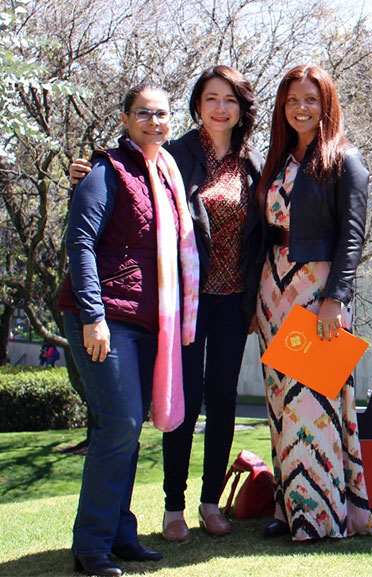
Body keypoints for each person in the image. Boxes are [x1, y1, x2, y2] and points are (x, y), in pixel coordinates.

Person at [70, 65, 265, 543]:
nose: (221, 108)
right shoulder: (172, 154)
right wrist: (83, 173)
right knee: (184, 400)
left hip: (232, 300)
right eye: (211, 98)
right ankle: (173, 507)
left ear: (241, 110)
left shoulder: (253, 163)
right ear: (197, 105)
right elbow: (124, 180)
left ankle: (210, 503)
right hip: (181, 303)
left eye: (230, 100)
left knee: (223, 401)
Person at [58, 82, 199, 577]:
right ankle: (91, 547)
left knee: (126, 432)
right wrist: (94, 316)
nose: (154, 122)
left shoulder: (165, 176)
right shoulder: (105, 170)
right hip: (103, 318)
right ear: (125, 119)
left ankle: (121, 536)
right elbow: (80, 244)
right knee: (117, 426)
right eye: (143, 114)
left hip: (145, 323)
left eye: (161, 115)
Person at [255, 64, 372, 541]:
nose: (300, 108)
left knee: (313, 402)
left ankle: (319, 517)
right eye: (291, 100)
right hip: (272, 290)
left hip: (315, 290)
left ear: (326, 103)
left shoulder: (345, 159)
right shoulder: (279, 159)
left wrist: (336, 298)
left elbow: (352, 238)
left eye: (310, 99)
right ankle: (288, 508)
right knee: (280, 403)